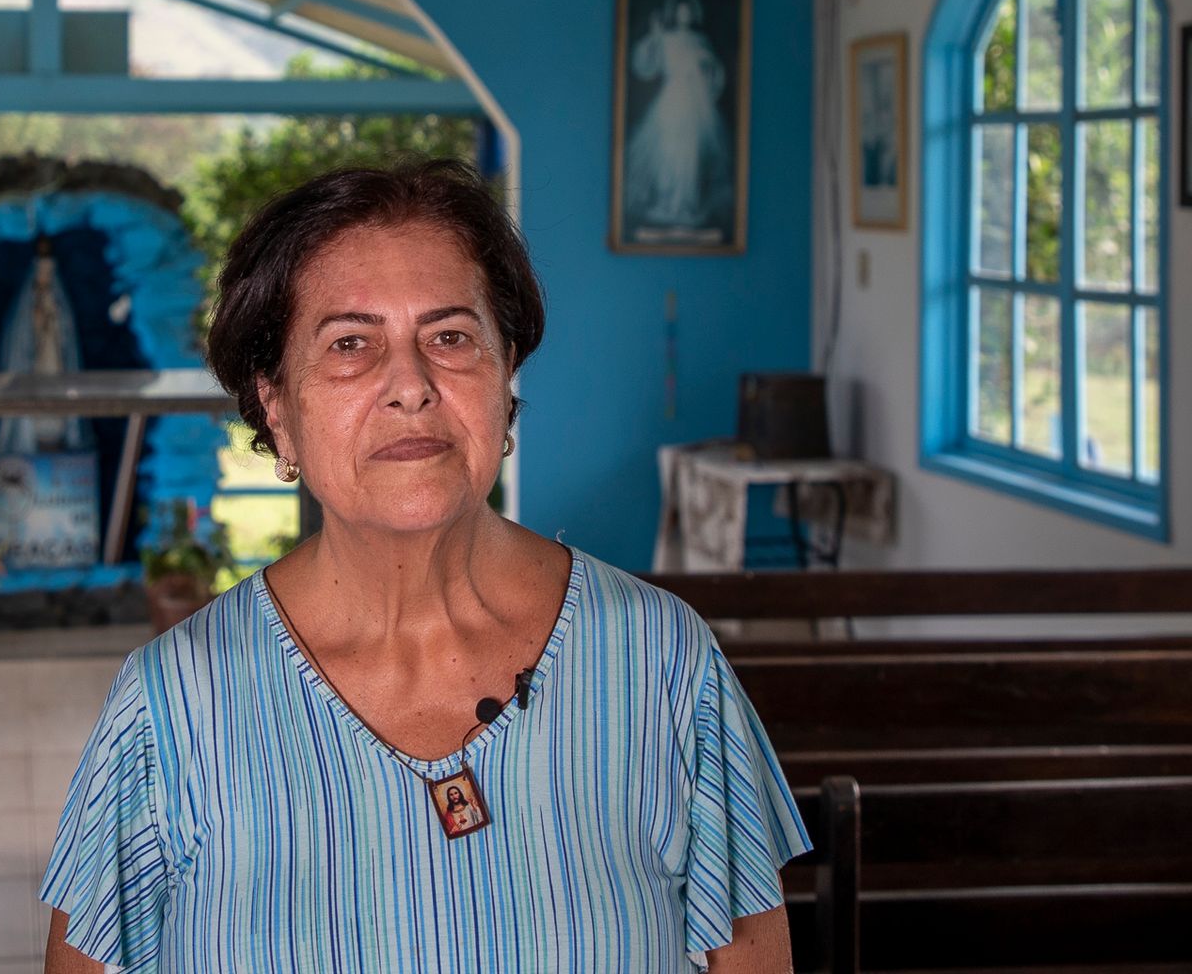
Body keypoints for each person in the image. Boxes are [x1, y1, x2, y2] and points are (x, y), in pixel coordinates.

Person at [41, 160, 809, 972]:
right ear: (277, 405)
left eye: (450, 338)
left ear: (506, 373)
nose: (410, 386)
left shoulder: (661, 661)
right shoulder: (171, 708)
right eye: (350, 345)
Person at [625, 0, 733, 232]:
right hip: (672, 98)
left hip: (694, 101)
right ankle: (666, 203)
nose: (683, 14)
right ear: (675, 13)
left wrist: (707, 71)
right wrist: (654, 35)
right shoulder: (665, 38)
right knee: (668, 152)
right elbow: (645, 65)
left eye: (687, 10)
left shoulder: (699, 41)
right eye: (679, 10)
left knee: (689, 154)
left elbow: (715, 72)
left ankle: (686, 205)